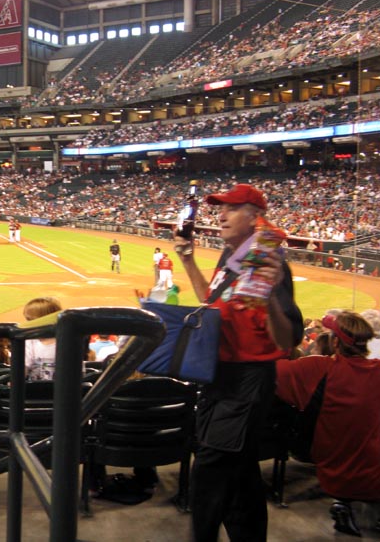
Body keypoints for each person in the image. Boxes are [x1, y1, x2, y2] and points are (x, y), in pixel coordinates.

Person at [173, 183, 303, 542]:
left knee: (210, 469)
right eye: (220, 208)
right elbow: (210, 299)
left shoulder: (269, 264)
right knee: (241, 475)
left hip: (247, 380)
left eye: (231, 208)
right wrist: (187, 260)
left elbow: (287, 340)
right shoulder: (229, 257)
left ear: (255, 217)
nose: (221, 215)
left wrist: (270, 296)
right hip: (217, 377)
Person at [275, 311, 380, 537]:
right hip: (372, 470)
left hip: (328, 463)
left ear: (335, 342)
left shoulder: (318, 368)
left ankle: (343, 503)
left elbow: (273, 371)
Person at [23, 296, 63, 380]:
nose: (29, 324)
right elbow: (23, 368)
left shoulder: (67, 341)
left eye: (31, 320)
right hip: (34, 387)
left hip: (63, 387)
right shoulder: (30, 341)